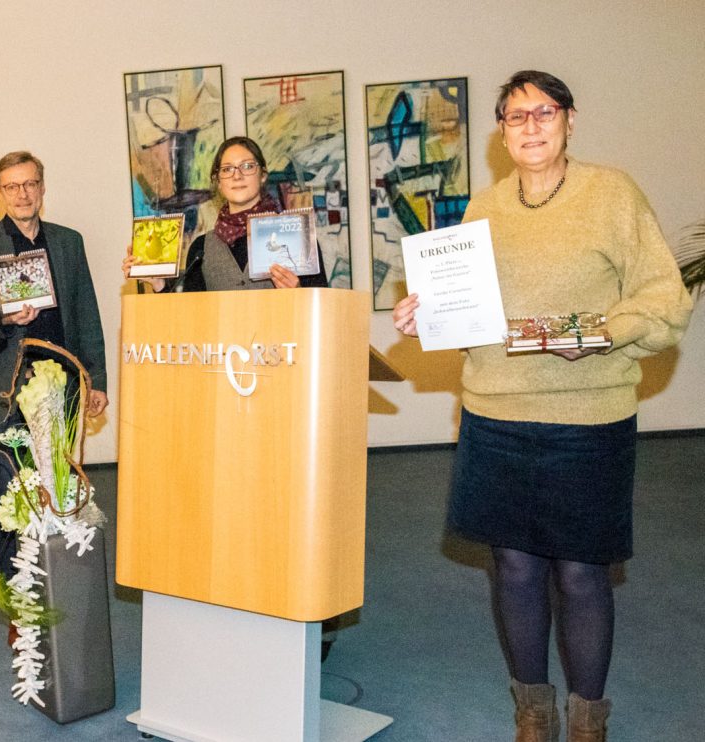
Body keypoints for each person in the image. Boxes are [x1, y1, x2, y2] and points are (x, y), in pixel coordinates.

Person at [392, 70, 692, 742]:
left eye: (543, 112)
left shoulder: (612, 194)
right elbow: (468, 314)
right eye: (516, 116)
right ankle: (533, 710)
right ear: (501, 130)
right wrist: (425, 315)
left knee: (583, 573)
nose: (530, 126)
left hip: (587, 418)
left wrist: (599, 332)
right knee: (515, 568)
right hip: (495, 413)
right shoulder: (484, 209)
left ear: (570, 120)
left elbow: (666, 300)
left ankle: (588, 719)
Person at [0, 151, 108, 597]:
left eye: (30, 184)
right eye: (11, 186)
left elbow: (87, 316)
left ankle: (56, 591)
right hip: (4, 393)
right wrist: (3, 318)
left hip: (60, 389)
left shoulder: (68, 241)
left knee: (58, 497)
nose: (22, 194)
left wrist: (95, 379)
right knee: (12, 502)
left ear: (42, 188)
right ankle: (16, 601)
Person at [122, 135, 329, 292]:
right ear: (218, 182)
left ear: (263, 175)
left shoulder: (298, 237)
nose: (237, 176)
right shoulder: (201, 249)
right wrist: (158, 282)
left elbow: (323, 311)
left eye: (247, 166)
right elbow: (189, 318)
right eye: (227, 169)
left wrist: (299, 291)